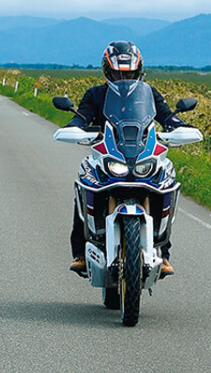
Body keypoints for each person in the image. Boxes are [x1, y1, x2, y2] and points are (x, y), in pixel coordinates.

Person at [66, 40, 190, 278]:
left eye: (129, 72)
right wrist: (75, 127)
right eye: (117, 72)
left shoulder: (150, 94)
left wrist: (179, 126)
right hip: (107, 154)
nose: (124, 77)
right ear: (107, 70)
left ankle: (162, 252)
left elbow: (166, 116)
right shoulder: (95, 94)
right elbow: (81, 117)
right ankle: (80, 252)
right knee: (84, 178)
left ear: (139, 70)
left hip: (141, 152)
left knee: (165, 181)